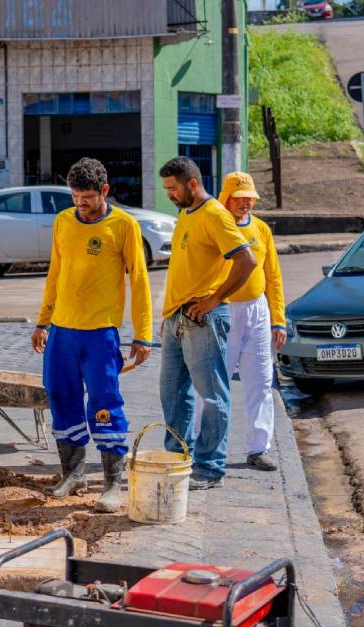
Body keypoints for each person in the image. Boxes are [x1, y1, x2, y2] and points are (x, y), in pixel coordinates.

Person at [31, 157, 153, 513]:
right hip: (62, 332)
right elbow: (55, 273)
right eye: (75, 197)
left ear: (104, 191)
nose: (80, 205)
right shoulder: (63, 221)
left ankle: (114, 483)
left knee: (103, 402)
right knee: (60, 396)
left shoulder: (124, 226)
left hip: (100, 334)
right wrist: (42, 322)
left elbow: (140, 282)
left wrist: (142, 335)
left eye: (86, 197)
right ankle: (73, 474)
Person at [158, 157, 257, 490]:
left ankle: (210, 467)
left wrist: (215, 298)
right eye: (166, 189)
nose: (169, 195)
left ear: (192, 184)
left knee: (212, 394)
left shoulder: (215, 215)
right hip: (176, 318)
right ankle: (176, 459)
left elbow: (247, 261)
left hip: (205, 319)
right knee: (173, 394)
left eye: (172, 188)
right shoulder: (186, 214)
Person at [193, 173, 286, 471]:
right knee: (212, 383)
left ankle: (259, 448)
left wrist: (278, 320)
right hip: (224, 310)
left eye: (250, 198)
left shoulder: (261, 229)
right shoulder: (215, 224)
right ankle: (200, 444)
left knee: (260, 381)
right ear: (226, 197)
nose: (246, 203)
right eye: (240, 197)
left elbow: (272, 275)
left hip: (257, 311)